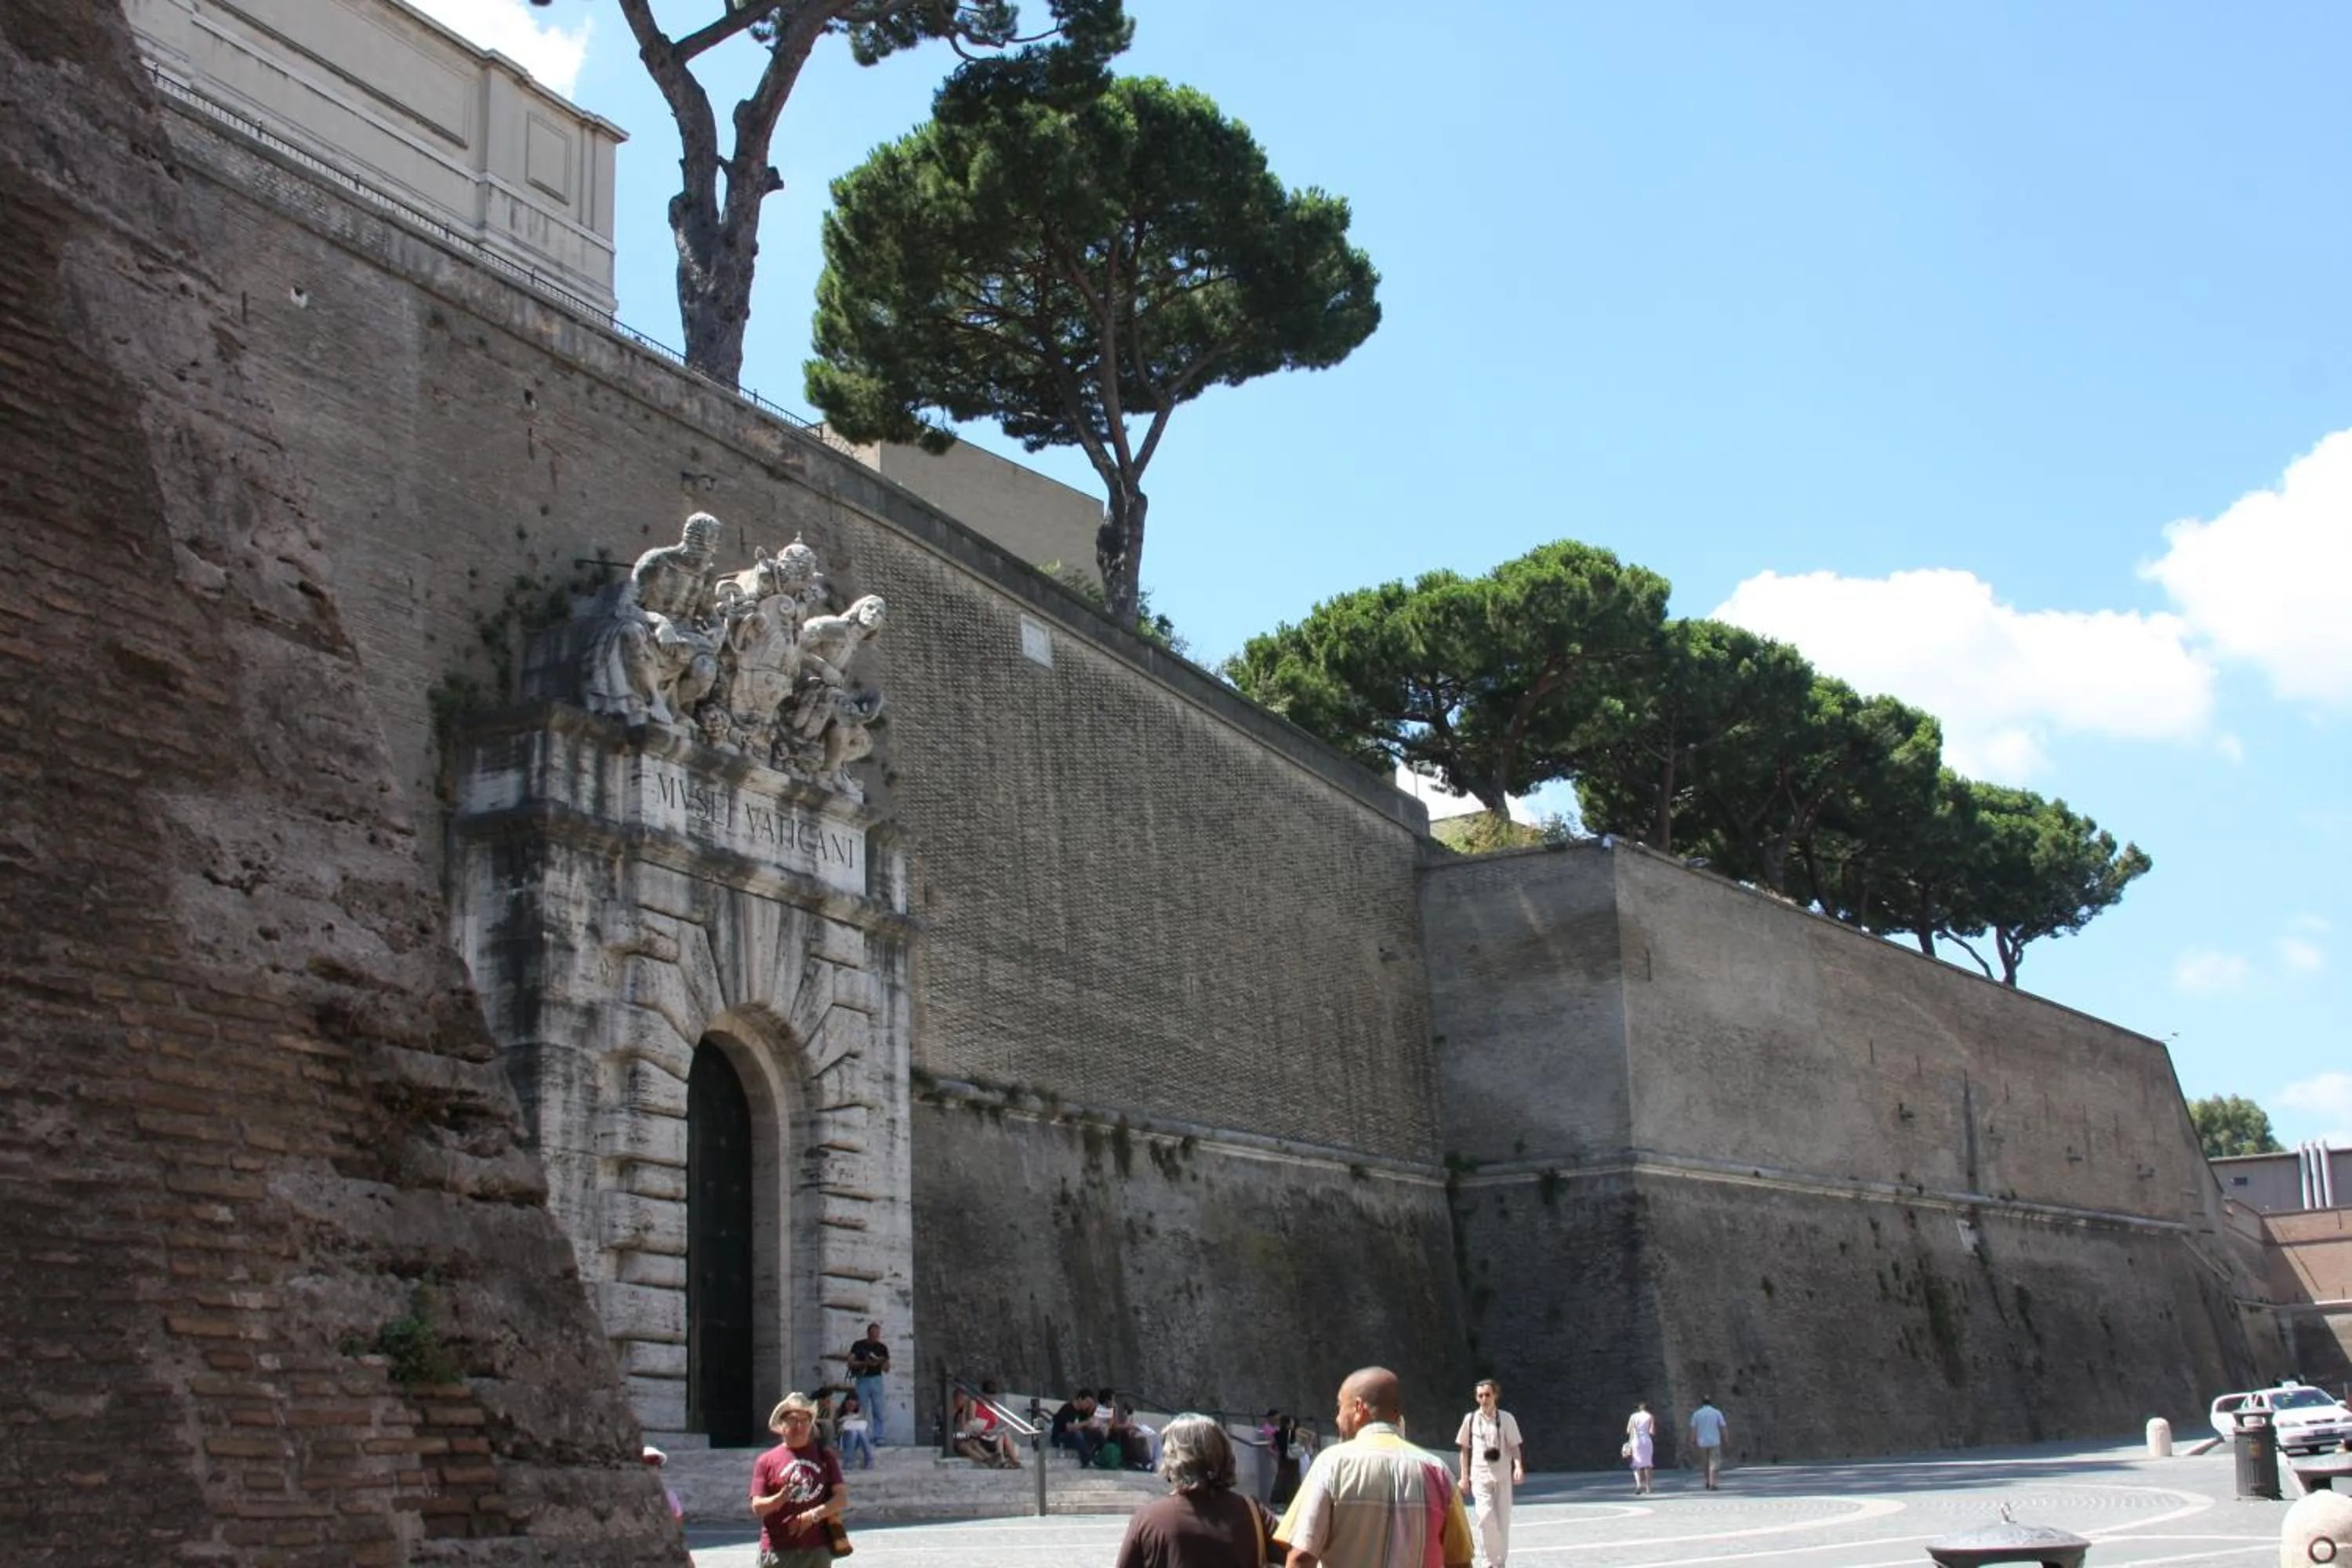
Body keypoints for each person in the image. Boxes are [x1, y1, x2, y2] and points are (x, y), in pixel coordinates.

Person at [1278, 1366, 1473, 1568]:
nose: (1337, 1418)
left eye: (1339, 1408)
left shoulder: (1332, 1464)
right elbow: (1459, 1562)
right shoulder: (1438, 1472)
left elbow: (1301, 1557)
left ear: (1359, 1408)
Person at [1113, 1412, 1286, 1568]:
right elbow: (1298, 1557)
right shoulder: (1252, 1511)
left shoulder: (1149, 1519)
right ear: (1224, 1452)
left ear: (1172, 1458)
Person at [750, 1393, 846, 1568]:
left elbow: (840, 1499)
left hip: (818, 1550)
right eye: (793, 1420)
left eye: (805, 1420)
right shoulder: (766, 1460)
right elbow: (757, 1507)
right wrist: (779, 1498)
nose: (800, 1426)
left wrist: (812, 1516)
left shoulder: (825, 1457)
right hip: (779, 1551)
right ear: (782, 1424)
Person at [1454, 1380, 1524, 1568]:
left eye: (1487, 1395)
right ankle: (1489, 1561)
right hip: (1480, 1477)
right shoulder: (1470, 1419)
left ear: (1495, 1396)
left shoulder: (1507, 1419)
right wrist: (1463, 1477)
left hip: (1502, 1477)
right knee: (1485, 1517)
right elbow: (1464, 1450)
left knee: (1502, 1521)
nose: (1484, 1399)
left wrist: (1518, 1467)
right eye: (1480, 1396)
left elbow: (1514, 1446)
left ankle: (1500, 1562)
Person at [951, 1388, 1022, 1468]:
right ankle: (987, 1460)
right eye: (962, 1399)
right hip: (957, 1439)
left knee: (975, 1443)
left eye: (965, 1399)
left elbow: (966, 1429)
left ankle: (991, 1459)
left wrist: (975, 1432)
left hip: (967, 1437)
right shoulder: (954, 1412)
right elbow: (959, 1432)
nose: (964, 1402)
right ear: (956, 1399)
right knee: (966, 1445)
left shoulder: (963, 1411)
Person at [848, 1320, 891, 1445]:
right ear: (868, 1333)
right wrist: (865, 1363)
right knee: (861, 1408)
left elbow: (887, 1369)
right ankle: (859, 1436)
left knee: (878, 1409)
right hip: (862, 1379)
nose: (875, 1336)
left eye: (877, 1333)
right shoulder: (859, 1345)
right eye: (873, 1333)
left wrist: (880, 1362)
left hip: (876, 1378)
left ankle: (879, 1437)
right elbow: (850, 1362)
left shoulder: (882, 1348)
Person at [1051, 1390, 1105, 1466]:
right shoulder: (1067, 1408)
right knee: (1077, 1434)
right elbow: (1069, 1427)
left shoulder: (1083, 1412)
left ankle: (1097, 1456)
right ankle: (1087, 1460)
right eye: (1087, 1402)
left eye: (1090, 1404)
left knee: (1097, 1433)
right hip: (1061, 1437)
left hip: (1078, 1437)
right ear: (1080, 1399)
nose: (1088, 1405)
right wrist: (1086, 1423)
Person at [1688, 1397, 1728, 1490]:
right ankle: (1712, 1483)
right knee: (1714, 1462)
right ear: (1711, 1403)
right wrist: (1726, 1439)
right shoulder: (1717, 1413)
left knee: (1705, 1462)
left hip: (1702, 1441)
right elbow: (1723, 1427)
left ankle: (1707, 1481)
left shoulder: (1697, 1414)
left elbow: (1693, 1428)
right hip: (1714, 1440)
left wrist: (1691, 1440)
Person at [643, 1444, 683, 1523]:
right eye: (648, 1463)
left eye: (655, 1464)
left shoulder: (669, 1496)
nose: (652, 1468)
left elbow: (677, 1521)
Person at [836, 1391, 875, 1470]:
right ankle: (848, 1461)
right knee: (853, 1432)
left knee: (860, 1431)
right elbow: (837, 1429)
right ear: (845, 1403)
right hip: (844, 1439)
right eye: (849, 1405)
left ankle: (869, 1459)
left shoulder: (859, 1414)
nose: (851, 1407)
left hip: (857, 1439)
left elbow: (866, 1428)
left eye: (853, 1406)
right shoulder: (839, 1412)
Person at [1624, 1402, 1655, 1496]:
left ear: (1639, 1409)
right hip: (1646, 1440)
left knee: (1636, 1463)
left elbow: (1629, 1430)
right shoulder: (1650, 1416)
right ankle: (1648, 1487)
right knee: (1648, 1464)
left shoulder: (1633, 1416)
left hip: (1636, 1441)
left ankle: (1639, 1484)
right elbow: (1652, 1431)